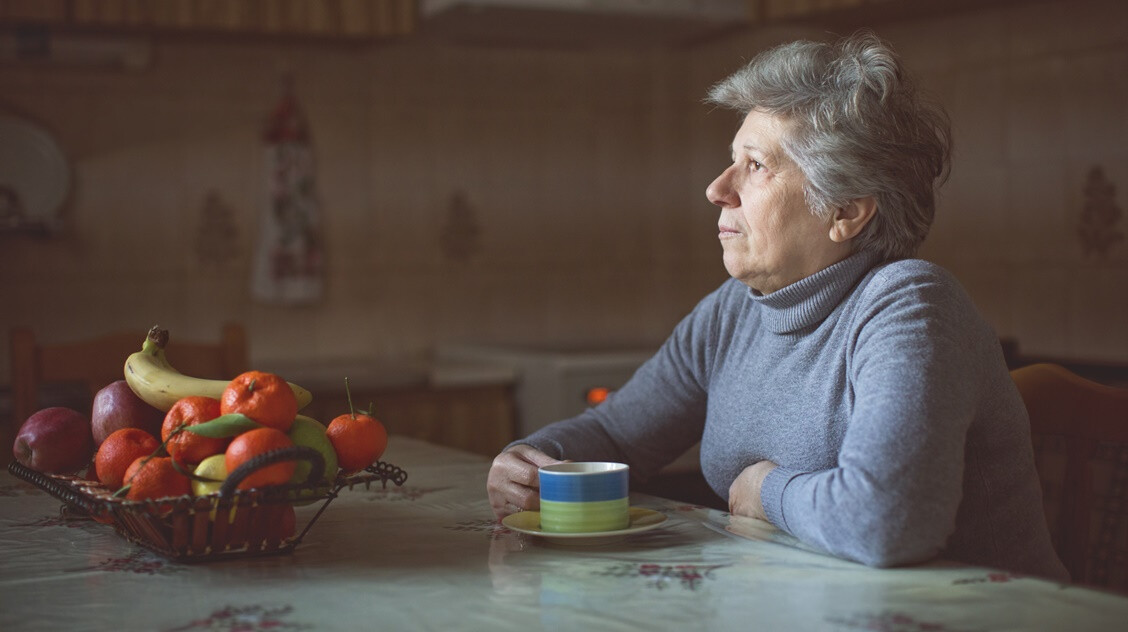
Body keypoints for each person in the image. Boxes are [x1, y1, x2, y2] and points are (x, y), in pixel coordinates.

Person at [486, 30, 1068, 581]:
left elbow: (890, 521)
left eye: (756, 165)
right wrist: (535, 461)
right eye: (731, 158)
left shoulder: (910, 307)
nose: (718, 187)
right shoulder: (734, 310)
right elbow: (617, 435)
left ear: (845, 211)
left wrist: (766, 490)